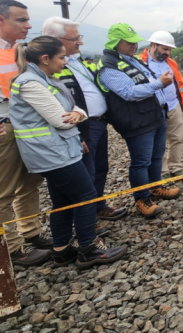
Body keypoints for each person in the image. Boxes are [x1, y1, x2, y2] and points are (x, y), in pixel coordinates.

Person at [9, 36, 126, 267]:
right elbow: (61, 119)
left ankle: (62, 249)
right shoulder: (32, 83)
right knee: (85, 195)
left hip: (57, 150)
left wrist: (78, 113)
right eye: (61, 57)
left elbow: (74, 108)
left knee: (62, 201)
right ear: (45, 59)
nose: (65, 62)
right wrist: (78, 114)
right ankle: (88, 248)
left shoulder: (42, 79)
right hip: (52, 153)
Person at [44, 17, 127, 221]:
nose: (80, 42)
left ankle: (98, 207)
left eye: (79, 37)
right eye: (75, 38)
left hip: (97, 122)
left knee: (100, 168)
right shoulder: (50, 67)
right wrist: (77, 133)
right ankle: (85, 222)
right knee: (85, 174)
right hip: (80, 126)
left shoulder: (77, 60)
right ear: (55, 39)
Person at [97, 24, 180, 219]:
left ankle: (155, 187)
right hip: (137, 121)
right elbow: (128, 93)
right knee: (141, 161)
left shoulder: (131, 60)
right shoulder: (109, 65)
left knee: (155, 156)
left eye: (135, 41)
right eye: (128, 42)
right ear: (116, 42)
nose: (133, 45)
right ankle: (142, 199)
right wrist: (160, 83)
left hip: (153, 115)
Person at [0, 0, 52, 267]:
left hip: (26, 126)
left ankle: (30, 233)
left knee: (30, 182)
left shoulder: (18, 52)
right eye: (21, 20)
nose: (28, 25)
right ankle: (12, 248)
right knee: (4, 192)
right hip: (5, 127)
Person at [139, 31, 183, 177]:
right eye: (165, 49)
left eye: (169, 50)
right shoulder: (141, 62)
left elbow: (179, 84)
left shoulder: (171, 63)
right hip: (154, 108)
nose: (168, 53)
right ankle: (162, 170)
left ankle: (175, 166)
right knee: (158, 141)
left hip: (173, 105)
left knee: (177, 138)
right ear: (154, 45)